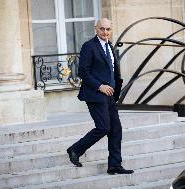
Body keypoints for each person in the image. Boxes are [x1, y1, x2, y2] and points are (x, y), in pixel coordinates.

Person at [67, 18, 134, 175]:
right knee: (104, 127)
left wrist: (115, 90)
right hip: (95, 94)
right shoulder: (89, 46)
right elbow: (83, 72)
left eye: (108, 29)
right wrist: (100, 86)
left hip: (110, 96)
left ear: (111, 29)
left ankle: (114, 165)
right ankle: (75, 149)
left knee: (116, 129)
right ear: (96, 29)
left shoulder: (110, 46)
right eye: (102, 29)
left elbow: (113, 71)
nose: (105, 32)